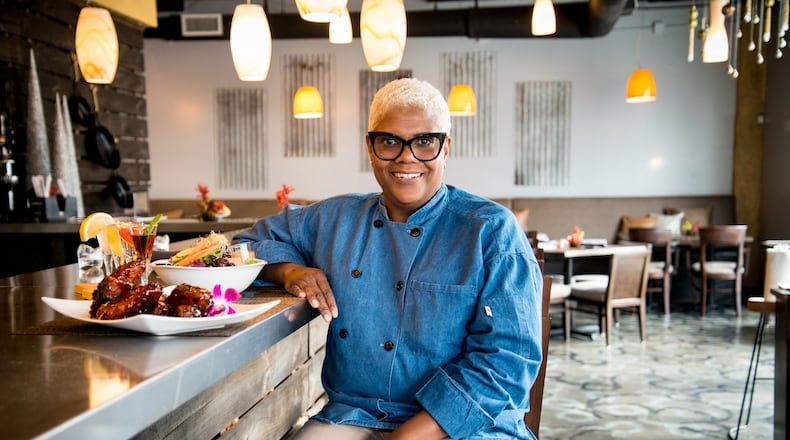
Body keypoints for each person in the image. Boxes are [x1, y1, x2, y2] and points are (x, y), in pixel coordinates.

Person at [236, 78, 543, 439]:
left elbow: (507, 360)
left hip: (467, 426)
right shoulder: (336, 218)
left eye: (425, 141)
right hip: (354, 416)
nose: (406, 157)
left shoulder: (490, 230)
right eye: (390, 141)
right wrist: (289, 271)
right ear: (370, 146)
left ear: (446, 148)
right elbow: (247, 243)